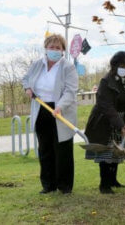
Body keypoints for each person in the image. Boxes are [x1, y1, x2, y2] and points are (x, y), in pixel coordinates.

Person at [22, 34, 78, 194]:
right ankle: (48, 185)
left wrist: (59, 106)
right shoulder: (37, 64)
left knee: (62, 150)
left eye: (58, 48)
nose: (54, 50)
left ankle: (65, 186)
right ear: (46, 48)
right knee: (45, 149)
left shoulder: (68, 67)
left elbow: (70, 91)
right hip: (40, 109)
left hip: (61, 112)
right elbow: (26, 79)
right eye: (51, 47)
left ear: (63, 50)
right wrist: (27, 88)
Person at [85, 51, 125, 194]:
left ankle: (113, 181)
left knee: (117, 152)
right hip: (105, 121)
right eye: (122, 65)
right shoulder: (106, 81)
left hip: (119, 120)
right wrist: (120, 125)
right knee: (106, 153)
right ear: (114, 66)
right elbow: (106, 106)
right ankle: (104, 185)